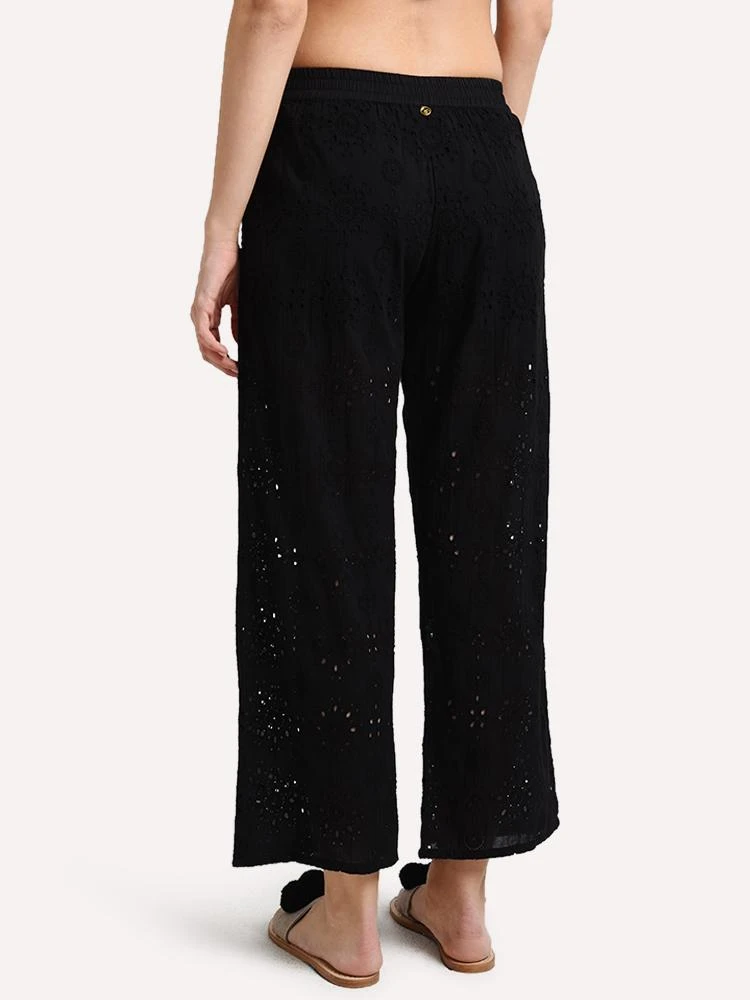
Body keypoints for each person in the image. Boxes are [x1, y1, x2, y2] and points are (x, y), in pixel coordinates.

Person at [190, 0, 557, 987]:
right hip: (485, 150)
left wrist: (223, 226)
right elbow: (530, 18)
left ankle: (347, 906)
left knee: (323, 519)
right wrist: (476, 157)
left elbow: (275, 9)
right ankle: (461, 892)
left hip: (332, 150)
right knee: (490, 525)